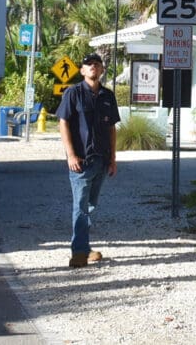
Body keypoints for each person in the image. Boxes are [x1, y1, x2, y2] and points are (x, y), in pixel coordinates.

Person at [56, 51, 120, 268]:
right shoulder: (73, 93)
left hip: (101, 160)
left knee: (91, 205)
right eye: (88, 64)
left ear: (102, 70)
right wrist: (70, 154)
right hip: (81, 161)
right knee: (81, 206)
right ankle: (79, 252)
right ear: (82, 70)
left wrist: (113, 158)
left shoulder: (108, 96)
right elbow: (63, 122)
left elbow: (111, 127)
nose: (93, 67)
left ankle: (85, 247)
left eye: (97, 64)